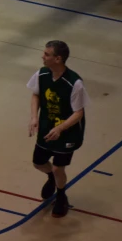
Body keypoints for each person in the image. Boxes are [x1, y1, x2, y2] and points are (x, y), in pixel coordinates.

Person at [27, 40, 89, 218]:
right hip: (47, 125)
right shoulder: (42, 74)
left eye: (47, 54)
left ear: (58, 58)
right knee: (38, 162)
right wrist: (34, 117)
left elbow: (78, 113)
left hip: (68, 131)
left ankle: (61, 196)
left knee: (58, 168)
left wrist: (60, 128)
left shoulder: (74, 83)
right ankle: (52, 179)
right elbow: (36, 95)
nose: (43, 56)